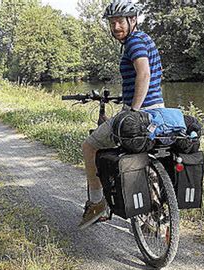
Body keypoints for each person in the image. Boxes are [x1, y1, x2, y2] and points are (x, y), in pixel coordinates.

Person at [79, 0, 165, 229]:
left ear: (133, 20)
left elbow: (144, 74)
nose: (116, 26)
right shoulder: (145, 39)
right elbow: (152, 78)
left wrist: (132, 111)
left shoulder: (134, 42)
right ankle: (154, 214)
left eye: (120, 21)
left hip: (140, 111)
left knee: (90, 146)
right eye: (112, 22)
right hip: (158, 111)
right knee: (144, 154)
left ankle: (97, 203)